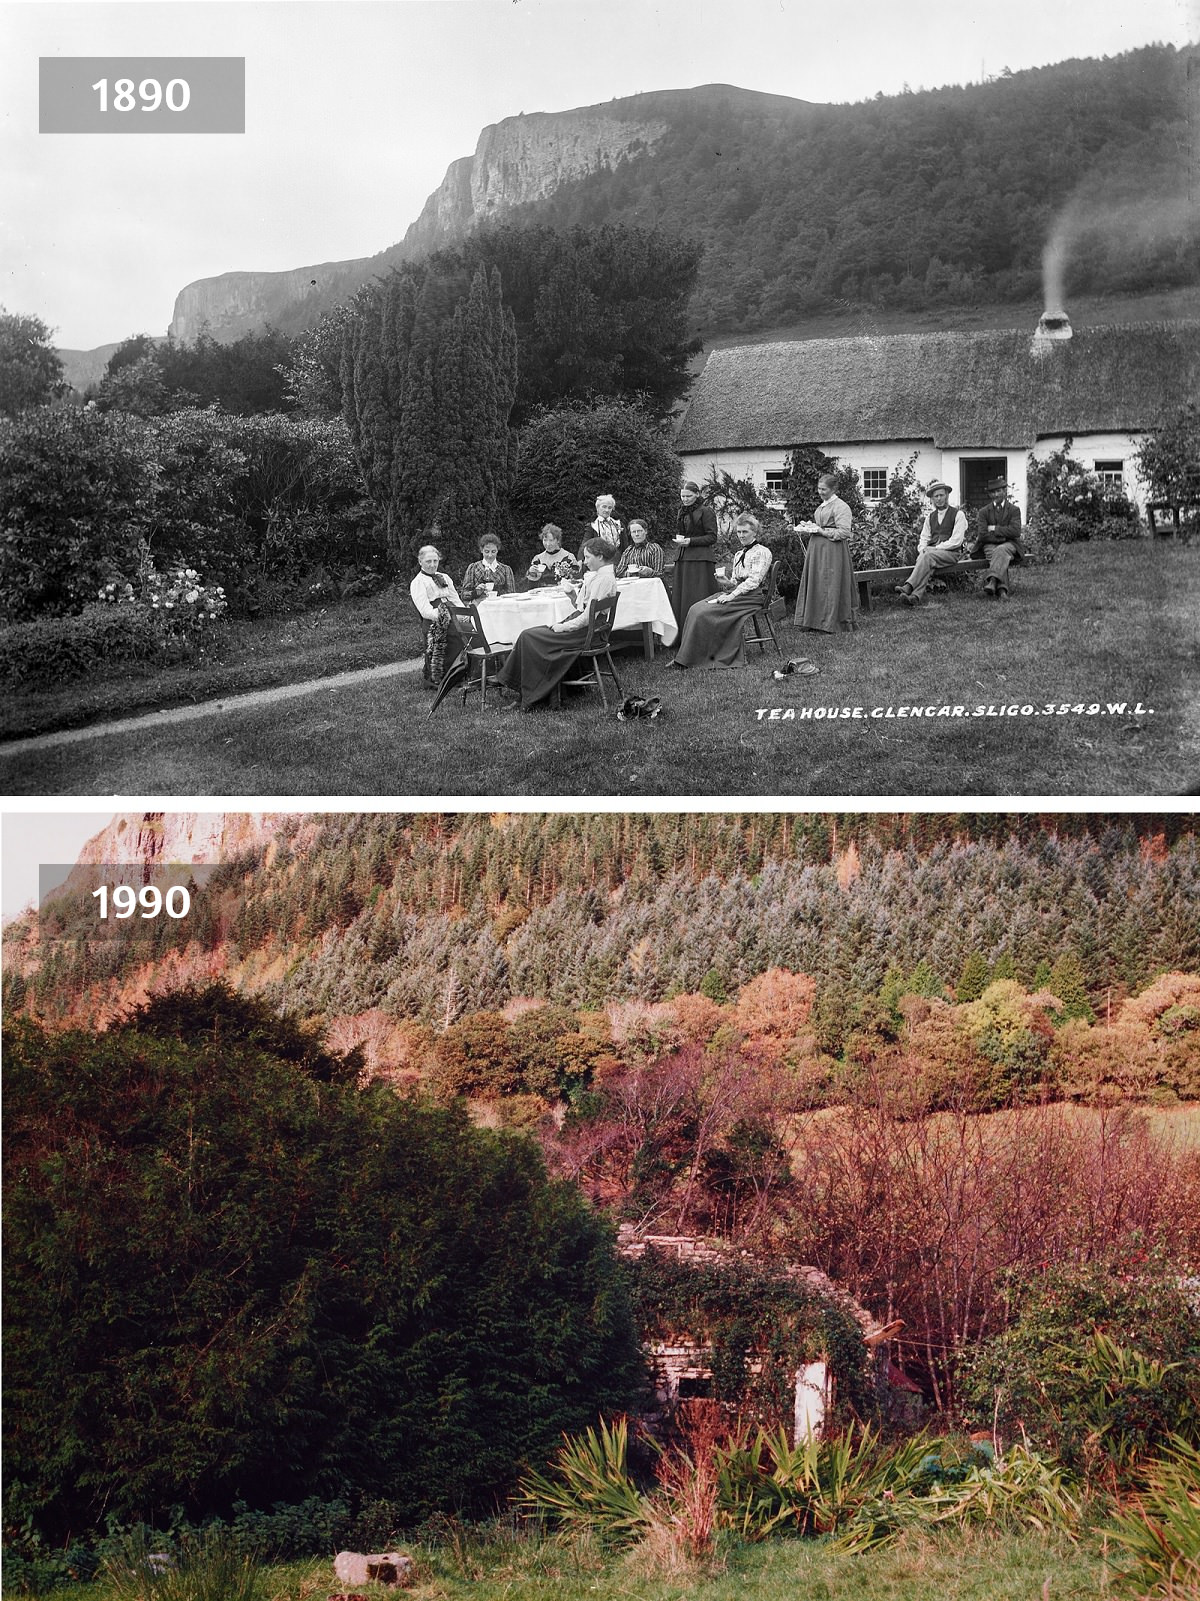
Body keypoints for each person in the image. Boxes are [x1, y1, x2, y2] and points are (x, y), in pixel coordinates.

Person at [495, 539, 618, 710]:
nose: (586, 561)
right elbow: (584, 609)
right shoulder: (600, 576)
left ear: (600, 556)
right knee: (530, 635)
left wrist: (563, 627)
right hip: (587, 629)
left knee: (528, 636)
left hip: (586, 633)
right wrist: (572, 595)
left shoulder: (603, 580)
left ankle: (522, 689)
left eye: (588, 557)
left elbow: (586, 619)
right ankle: (524, 690)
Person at [668, 512, 772, 669]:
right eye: (739, 532)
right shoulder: (739, 554)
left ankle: (695, 658)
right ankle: (687, 655)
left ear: (754, 532)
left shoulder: (762, 552)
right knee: (696, 608)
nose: (741, 535)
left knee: (704, 613)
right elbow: (735, 582)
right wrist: (726, 583)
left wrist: (731, 596)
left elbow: (753, 581)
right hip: (737, 593)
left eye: (745, 532)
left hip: (752, 597)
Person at [794, 473, 856, 632]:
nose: (820, 492)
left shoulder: (841, 506)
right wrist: (810, 526)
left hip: (832, 551)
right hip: (817, 550)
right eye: (819, 488)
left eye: (824, 489)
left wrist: (821, 531)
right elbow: (822, 525)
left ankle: (830, 622)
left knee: (829, 584)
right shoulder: (824, 505)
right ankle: (813, 620)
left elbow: (844, 532)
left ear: (833, 489)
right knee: (817, 582)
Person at [894, 480, 968, 604]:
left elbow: (956, 541)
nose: (939, 499)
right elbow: (924, 538)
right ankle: (915, 597)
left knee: (927, 557)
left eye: (941, 495)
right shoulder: (930, 517)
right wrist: (922, 549)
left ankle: (909, 586)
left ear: (947, 496)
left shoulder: (958, 515)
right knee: (925, 557)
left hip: (951, 553)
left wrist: (934, 549)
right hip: (932, 555)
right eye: (936, 496)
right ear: (932, 499)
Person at [409, 543, 463, 686]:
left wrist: (463, 614)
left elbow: (455, 599)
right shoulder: (418, 582)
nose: (432, 565)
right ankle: (440, 679)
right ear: (420, 562)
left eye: (435, 561)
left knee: (464, 633)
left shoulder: (444, 576)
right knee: (447, 639)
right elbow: (425, 610)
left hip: (451, 612)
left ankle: (460, 675)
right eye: (428, 561)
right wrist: (445, 616)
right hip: (434, 620)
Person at [671, 481, 719, 624]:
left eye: (688, 496)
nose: (685, 499)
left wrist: (691, 541)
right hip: (683, 559)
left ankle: (701, 632)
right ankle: (683, 635)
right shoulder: (682, 511)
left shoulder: (706, 511)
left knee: (697, 596)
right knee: (683, 597)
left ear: (697, 494)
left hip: (700, 560)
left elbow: (712, 537)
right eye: (682, 496)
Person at [970, 476, 1023, 599]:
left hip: (1011, 544)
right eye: (992, 492)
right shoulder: (984, 512)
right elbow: (983, 535)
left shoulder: (1014, 510)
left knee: (1000, 550)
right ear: (989, 495)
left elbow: (1015, 531)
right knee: (997, 551)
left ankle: (992, 581)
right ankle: (1002, 590)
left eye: (998, 491)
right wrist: (1003, 537)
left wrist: (994, 529)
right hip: (990, 544)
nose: (996, 494)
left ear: (1004, 491)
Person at [460, 534, 517, 603]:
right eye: (487, 551)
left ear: (497, 550)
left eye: (493, 551)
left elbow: (512, 595)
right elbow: (464, 595)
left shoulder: (506, 570)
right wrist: (476, 592)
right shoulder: (473, 568)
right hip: (479, 609)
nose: (490, 555)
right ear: (481, 550)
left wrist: (497, 591)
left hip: (500, 608)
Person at [581, 493, 623, 560]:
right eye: (604, 507)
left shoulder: (618, 524)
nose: (607, 510)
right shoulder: (592, 526)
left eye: (610, 507)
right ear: (597, 508)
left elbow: (624, 545)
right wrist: (580, 560)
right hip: (599, 560)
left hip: (618, 561)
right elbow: (585, 544)